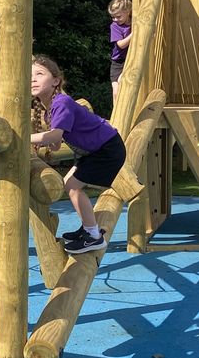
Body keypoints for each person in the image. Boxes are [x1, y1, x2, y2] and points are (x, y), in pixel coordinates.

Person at [29, 55, 127, 254]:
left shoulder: (62, 102)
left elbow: (55, 134)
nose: (33, 79)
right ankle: (88, 228)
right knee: (69, 183)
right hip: (96, 150)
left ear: (56, 81)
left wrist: (26, 138)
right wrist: (43, 142)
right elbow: (57, 142)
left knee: (73, 187)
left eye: (39, 74)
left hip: (107, 149)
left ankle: (93, 237)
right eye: (30, 76)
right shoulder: (49, 109)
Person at [108, 0, 132, 102]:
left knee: (123, 80)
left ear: (128, 12)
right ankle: (116, 114)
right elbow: (121, 45)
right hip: (118, 62)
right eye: (113, 17)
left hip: (130, 59)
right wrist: (134, 34)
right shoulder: (115, 26)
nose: (115, 20)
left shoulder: (135, 21)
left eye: (118, 16)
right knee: (116, 91)